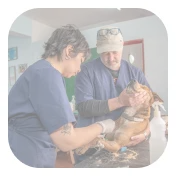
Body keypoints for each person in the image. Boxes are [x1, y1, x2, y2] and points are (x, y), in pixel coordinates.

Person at [8, 24, 116, 168]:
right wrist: (103, 126)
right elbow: (67, 140)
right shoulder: (48, 76)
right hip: (29, 155)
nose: (79, 69)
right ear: (69, 51)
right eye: (81, 60)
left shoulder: (41, 71)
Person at [74, 26, 151, 163]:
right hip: (90, 148)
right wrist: (120, 101)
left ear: (122, 46)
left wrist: (145, 133)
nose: (111, 58)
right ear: (98, 50)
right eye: (105, 53)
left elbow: (149, 109)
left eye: (115, 52)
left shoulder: (135, 73)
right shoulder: (85, 71)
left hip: (123, 147)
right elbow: (84, 107)